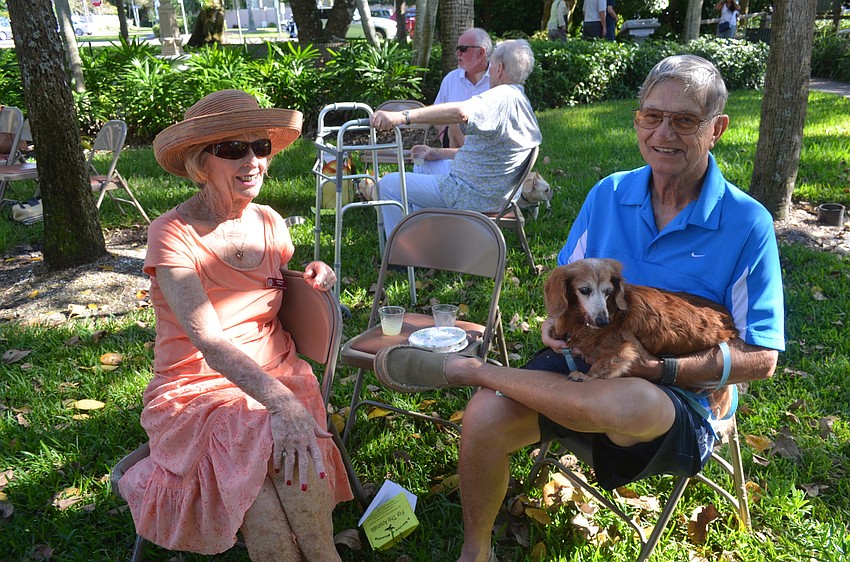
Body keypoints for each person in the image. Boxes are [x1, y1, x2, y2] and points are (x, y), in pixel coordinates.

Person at [372, 55, 785, 562]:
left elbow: (762, 359)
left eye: (683, 120)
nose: (663, 133)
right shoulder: (609, 194)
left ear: (716, 128)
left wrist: (665, 369)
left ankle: (474, 371)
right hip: (581, 363)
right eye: (650, 116)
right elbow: (566, 294)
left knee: (624, 401)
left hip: (678, 394)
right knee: (484, 417)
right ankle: (474, 552)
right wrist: (554, 325)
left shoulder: (747, 223)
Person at [118, 90, 353, 560]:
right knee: (268, 522)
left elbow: (276, 281)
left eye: (259, 147)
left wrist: (315, 272)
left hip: (279, 371)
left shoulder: (269, 222)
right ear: (200, 163)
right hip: (197, 388)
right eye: (232, 149)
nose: (252, 161)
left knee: (300, 511)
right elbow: (207, 338)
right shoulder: (171, 233)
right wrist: (281, 405)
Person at [369, 39, 542, 238]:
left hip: (471, 194)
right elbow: (490, 154)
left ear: (499, 68)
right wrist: (437, 152)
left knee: (388, 185)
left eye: (491, 64)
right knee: (424, 163)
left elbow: (461, 112)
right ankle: (427, 237)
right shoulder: (519, 99)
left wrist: (401, 116)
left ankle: (402, 256)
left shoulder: (501, 97)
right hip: (492, 191)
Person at [419, 27, 494, 176]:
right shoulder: (451, 79)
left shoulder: (497, 80)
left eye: (463, 49)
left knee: (457, 115)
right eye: (457, 48)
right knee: (420, 166)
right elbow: (437, 117)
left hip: (487, 152)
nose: (457, 53)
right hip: (455, 151)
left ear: (481, 52)